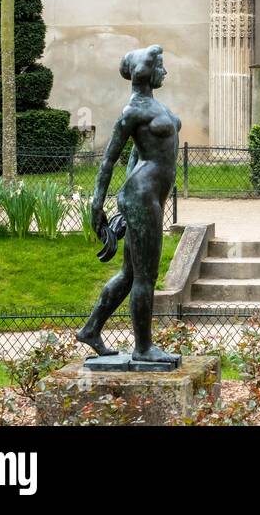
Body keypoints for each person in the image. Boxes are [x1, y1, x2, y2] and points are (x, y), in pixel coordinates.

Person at [76, 45, 181, 365]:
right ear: (146, 72)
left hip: (143, 196)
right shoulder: (132, 111)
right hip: (143, 196)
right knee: (144, 276)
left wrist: (123, 203)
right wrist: (98, 207)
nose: (165, 72)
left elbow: (135, 157)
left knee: (129, 272)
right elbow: (108, 160)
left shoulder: (154, 106)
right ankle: (143, 348)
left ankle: (91, 329)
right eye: (160, 66)